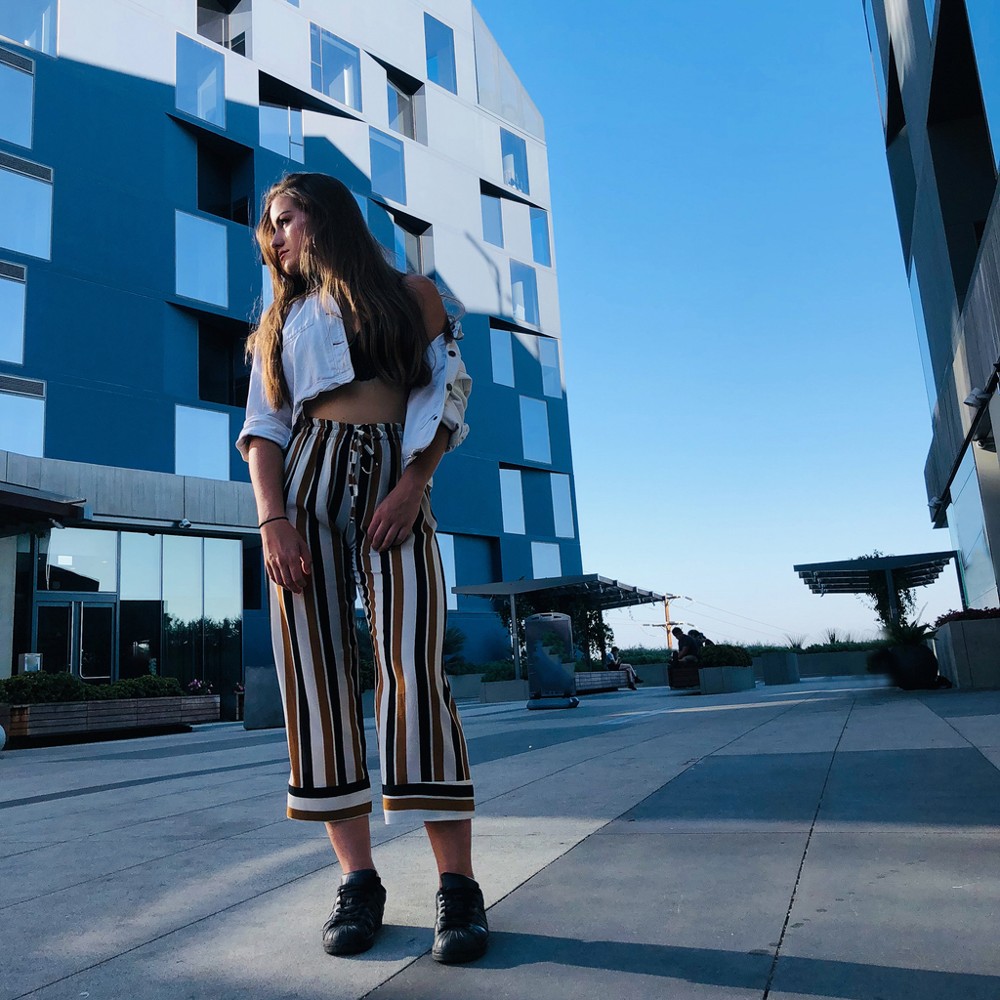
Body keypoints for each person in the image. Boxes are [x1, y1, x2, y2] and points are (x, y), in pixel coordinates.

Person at [236, 173, 486, 965]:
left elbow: (446, 393)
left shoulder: (413, 294)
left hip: (394, 477)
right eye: (268, 229)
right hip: (302, 487)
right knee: (313, 681)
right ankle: (359, 883)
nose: (277, 238)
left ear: (326, 214)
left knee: (414, 668)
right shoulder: (278, 324)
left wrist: (415, 483)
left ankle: (458, 888)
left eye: (286, 219)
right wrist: (273, 521)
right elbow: (263, 431)